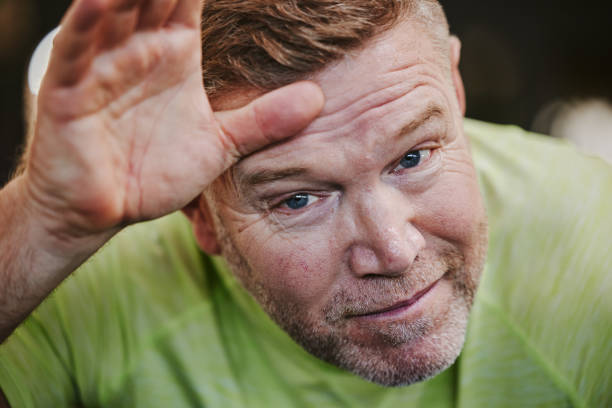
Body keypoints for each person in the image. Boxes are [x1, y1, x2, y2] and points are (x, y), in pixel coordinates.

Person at [0, 0, 610, 406]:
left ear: (454, 88)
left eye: (413, 157)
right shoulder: (90, 282)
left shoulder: (592, 245)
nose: (394, 251)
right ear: (200, 214)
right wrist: (40, 228)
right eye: (298, 199)